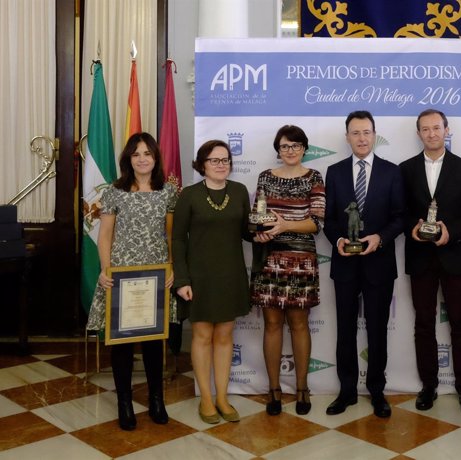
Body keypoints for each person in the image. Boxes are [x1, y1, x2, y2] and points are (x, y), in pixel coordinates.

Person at [85, 132, 177, 431]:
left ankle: (156, 400)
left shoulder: (168, 191)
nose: (142, 158)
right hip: (122, 277)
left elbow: (172, 236)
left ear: (155, 158)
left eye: (147, 153)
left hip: (156, 276)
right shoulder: (114, 192)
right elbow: (106, 236)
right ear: (129, 158)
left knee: (152, 342)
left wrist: (173, 267)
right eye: (136, 153)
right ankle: (124, 403)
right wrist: (105, 270)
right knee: (121, 344)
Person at [399, 109, 461, 416]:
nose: (432, 133)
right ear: (419, 133)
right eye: (426, 129)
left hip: (455, 256)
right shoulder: (405, 169)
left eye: (437, 128)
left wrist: (452, 232)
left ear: (447, 130)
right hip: (420, 258)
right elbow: (400, 211)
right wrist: (412, 227)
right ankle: (428, 386)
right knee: (423, 324)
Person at [323, 110, 404, 418]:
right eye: (355, 133)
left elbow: (400, 217)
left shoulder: (391, 172)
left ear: (374, 135)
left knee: (377, 331)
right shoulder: (334, 171)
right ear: (347, 137)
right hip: (344, 263)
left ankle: (377, 390)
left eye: (366, 132)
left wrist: (380, 239)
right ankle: (346, 391)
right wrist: (338, 240)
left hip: (379, 264)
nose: (361, 138)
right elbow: (329, 218)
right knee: (344, 330)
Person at [172, 140, 251, 424]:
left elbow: (247, 232)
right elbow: (178, 239)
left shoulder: (240, 191)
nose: (222, 164)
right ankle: (206, 397)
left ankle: (222, 397)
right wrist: (181, 279)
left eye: (225, 159)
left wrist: (263, 233)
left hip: (231, 274)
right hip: (199, 277)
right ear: (202, 164)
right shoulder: (189, 195)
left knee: (225, 337)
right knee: (203, 336)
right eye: (215, 160)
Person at [249, 125, 325, 416]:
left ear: (304, 148)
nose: (290, 151)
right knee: (271, 325)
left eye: (295, 145)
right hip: (270, 260)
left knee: (299, 324)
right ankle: (273, 389)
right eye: (284, 146)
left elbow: (316, 223)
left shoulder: (314, 177)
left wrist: (285, 226)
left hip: (301, 261)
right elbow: (259, 217)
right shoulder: (265, 177)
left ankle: (303, 387)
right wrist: (261, 232)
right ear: (277, 150)